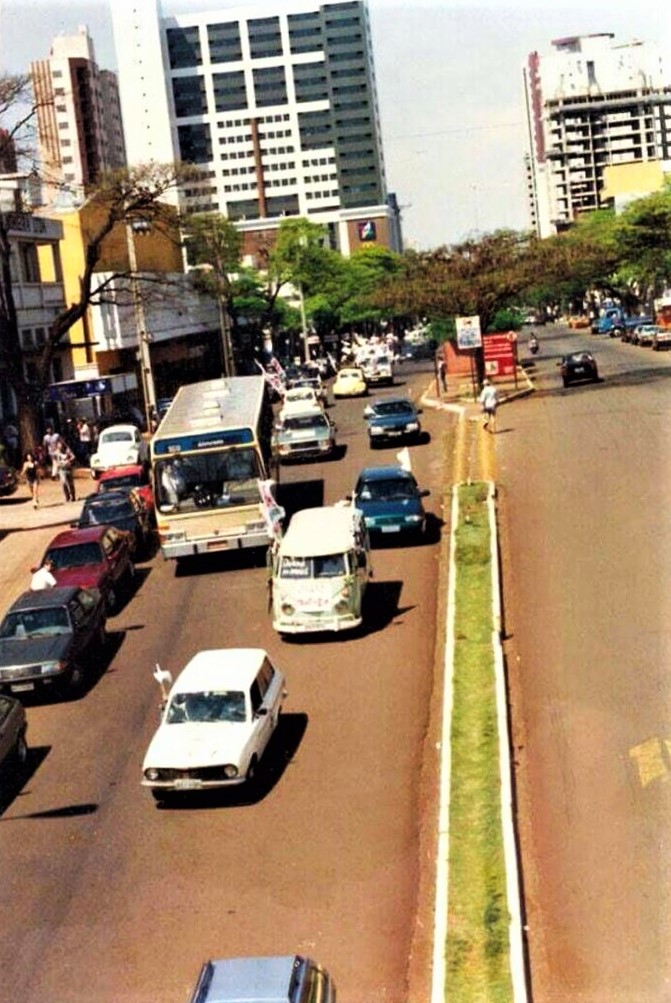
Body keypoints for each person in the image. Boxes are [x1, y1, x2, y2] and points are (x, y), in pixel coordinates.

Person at [54, 438, 76, 502]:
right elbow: (54, 461)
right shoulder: (56, 453)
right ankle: (67, 496)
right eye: (58, 445)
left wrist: (69, 460)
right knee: (63, 483)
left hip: (68, 468)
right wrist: (56, 468)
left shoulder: (67, 450)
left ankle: (73, 496)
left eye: (60, 445)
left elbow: (73, 457)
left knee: (70, 483)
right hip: (61, 469)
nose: (59, 446)